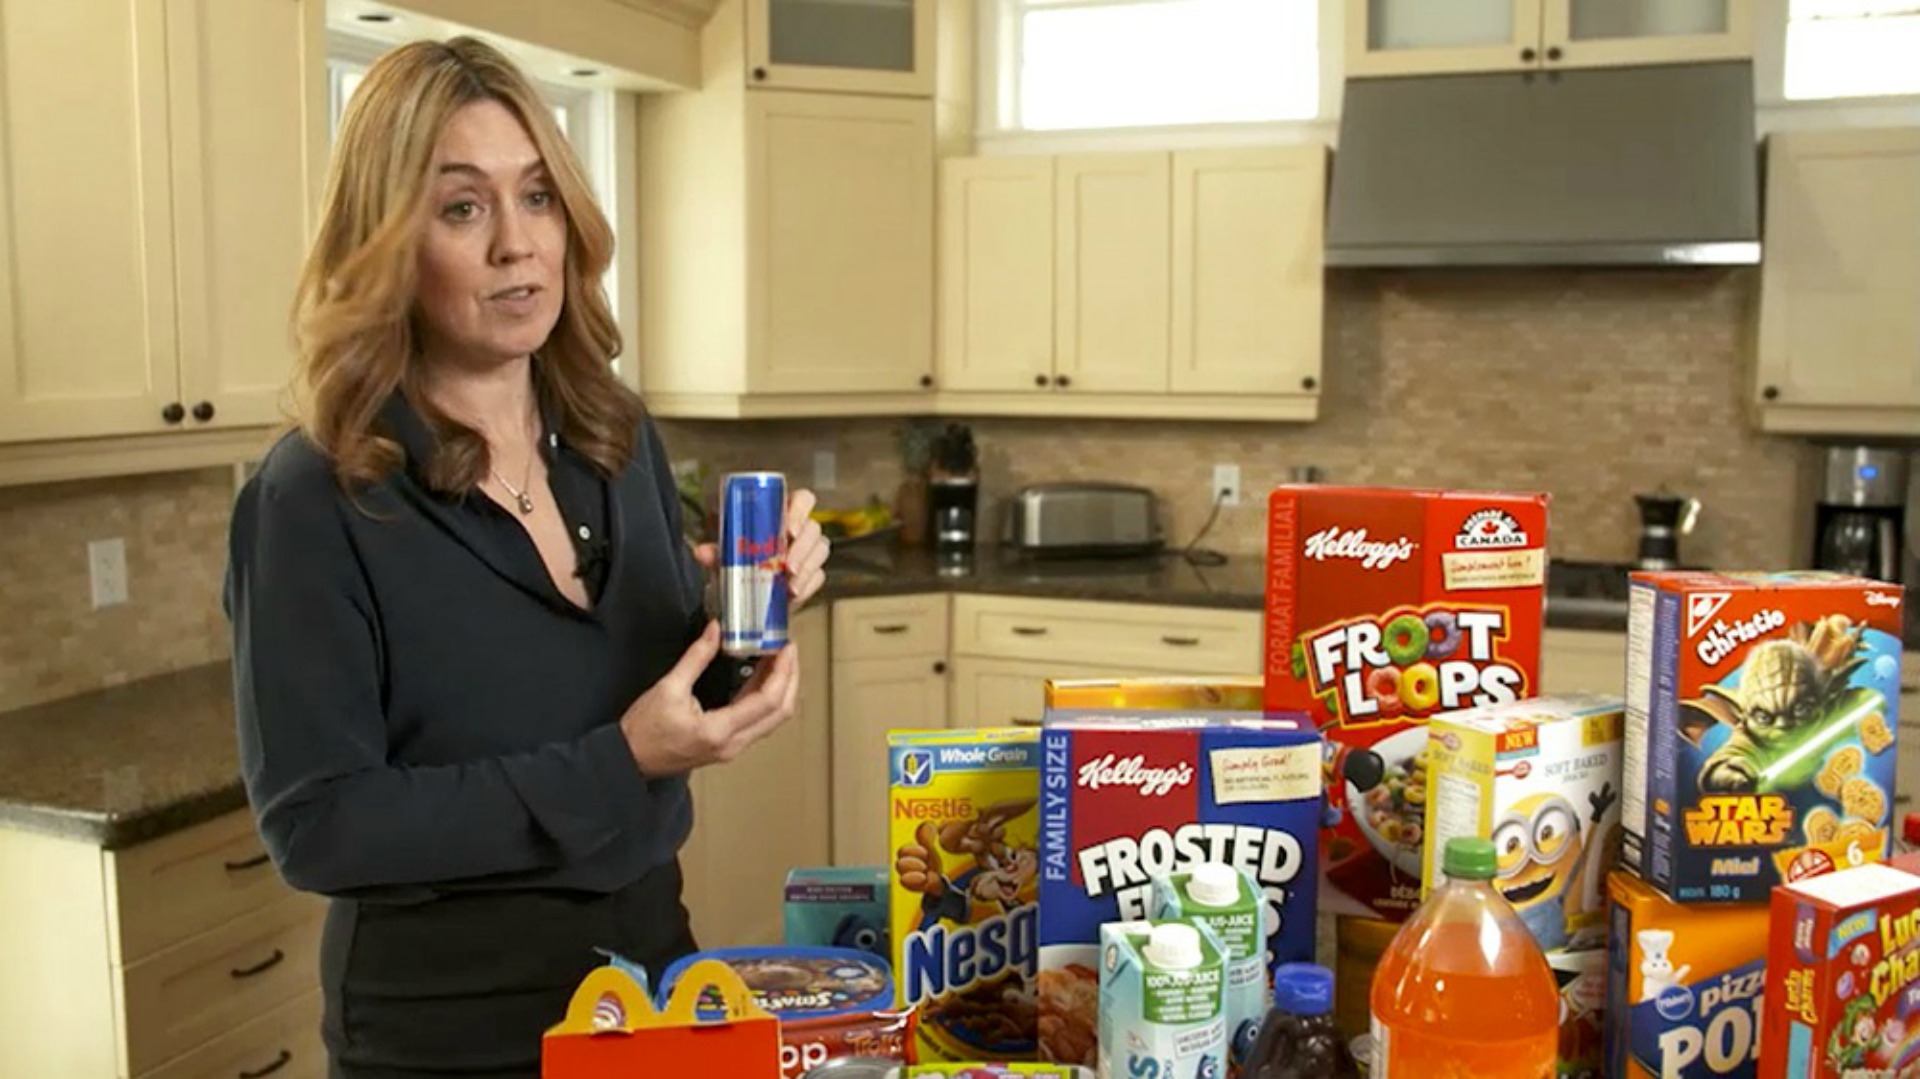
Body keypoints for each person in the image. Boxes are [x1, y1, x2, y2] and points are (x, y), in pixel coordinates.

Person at [224, 36, 829, 1079]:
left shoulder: (615, 434)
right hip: (449, 1029)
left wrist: (744, 624)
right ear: (388, 243)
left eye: (539, 196)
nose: (518, 245)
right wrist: (623, 758)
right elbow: (320, 825)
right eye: (463, 208)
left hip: (654, 979)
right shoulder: (316, 497)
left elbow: (648, 691)